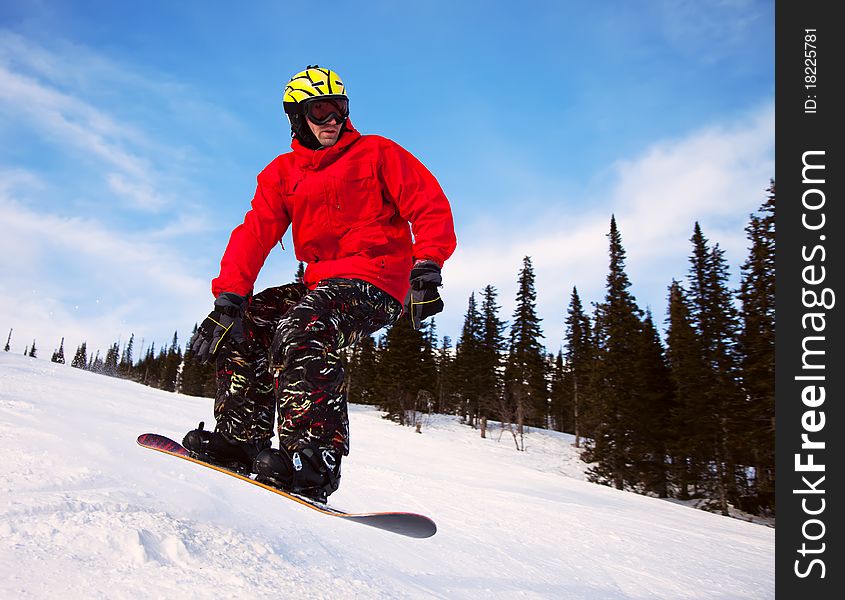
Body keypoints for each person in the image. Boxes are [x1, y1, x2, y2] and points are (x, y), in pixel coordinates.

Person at [183, 65, 457, 502]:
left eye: (340, 108)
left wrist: (426, 264)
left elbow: (427, 202)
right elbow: (255, 232)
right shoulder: (283, 174)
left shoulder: (377, 152)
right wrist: (229, 297)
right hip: (321, 284)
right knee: (247, 320)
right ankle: (241, 439)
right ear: (297, 116)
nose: (334, 119)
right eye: (322, 109)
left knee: (303, 325)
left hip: (376, 280)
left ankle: (315, 458)